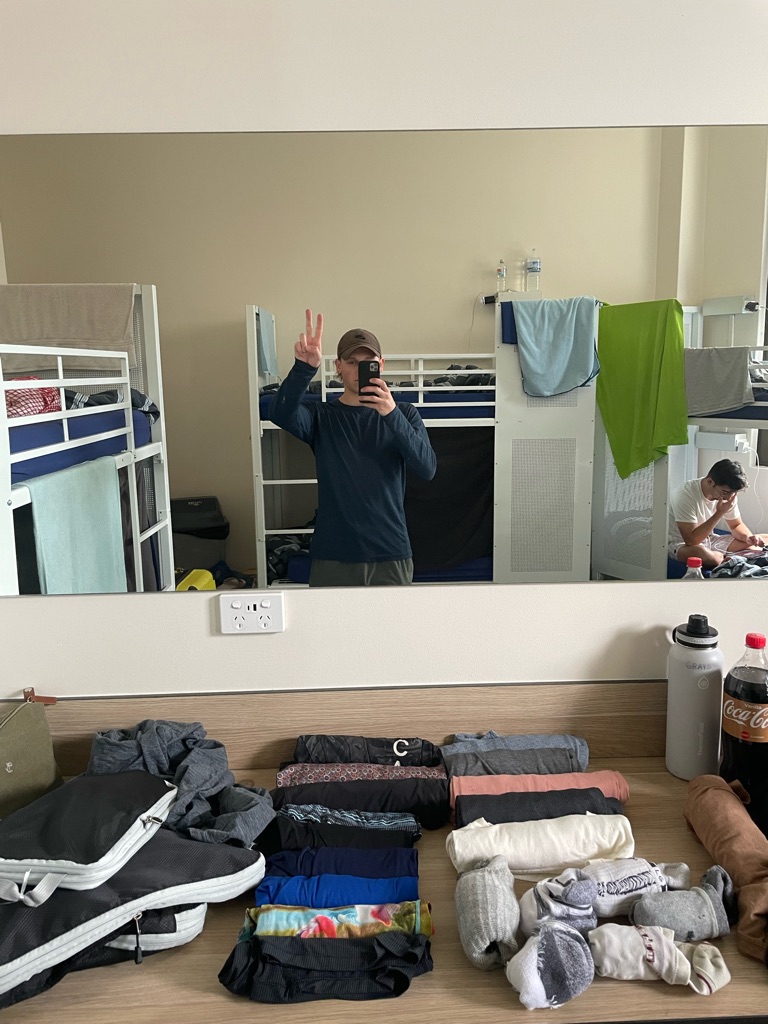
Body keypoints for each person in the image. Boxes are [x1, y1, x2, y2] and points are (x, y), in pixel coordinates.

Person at [269, 309, 437, 587]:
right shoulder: (321, 416)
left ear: (380, 365)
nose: (360, 369)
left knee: (392, 618)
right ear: (338, 366)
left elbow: (427, 468)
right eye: (352, 362)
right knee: (328, 618)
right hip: (333, 554)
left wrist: (390, 413)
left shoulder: (404, 414)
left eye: (368, 362)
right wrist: (304, 369)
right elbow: (280, 413)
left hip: (390, 552)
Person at [668, 458, 768, 568]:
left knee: (758, 544)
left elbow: (736, 525)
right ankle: (722, 558)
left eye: (733, 493)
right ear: (710, 482)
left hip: (710, 540)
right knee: (701, 554)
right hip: (682, 544)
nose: (728, 497)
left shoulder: (729, 495)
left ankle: (726, 557)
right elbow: (691, 541)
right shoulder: (684, 495)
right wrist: (719, 513)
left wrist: (748, 538)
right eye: (725, 492)